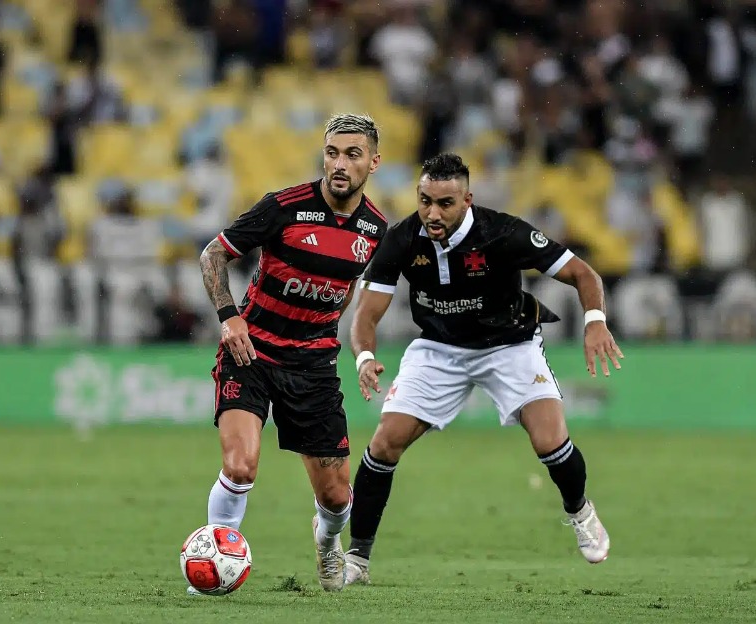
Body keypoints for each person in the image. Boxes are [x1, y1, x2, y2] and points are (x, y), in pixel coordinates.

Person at [344, 153, 623, 585]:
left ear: (467, 200)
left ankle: (579, 510)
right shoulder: (401, 238)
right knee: (384, 444)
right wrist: (364, 356)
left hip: (508, 344)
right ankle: (357, 560)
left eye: (445, 203)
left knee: (551, 442)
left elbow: (584, 274)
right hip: (439, 348)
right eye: (424, 201)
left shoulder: (504, 233)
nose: (432, 214)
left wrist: (595, 323)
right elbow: (366, 315)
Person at [195, 114, 388, 593]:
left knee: (339, 497)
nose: (339, 164)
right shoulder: (283, 207)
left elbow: (347, 293)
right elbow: (212, 255)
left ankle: (326, 543)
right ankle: (213, 569)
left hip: (314, 365)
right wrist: (228, 316)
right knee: (240, 466)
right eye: (332, 153)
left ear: (374, 163)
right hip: (251, 353)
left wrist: (355, 350)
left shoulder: (377, 231)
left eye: (352, 154)